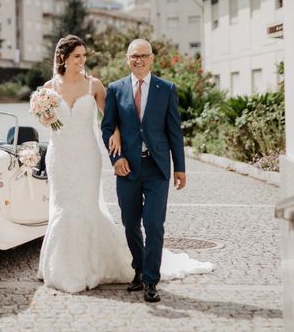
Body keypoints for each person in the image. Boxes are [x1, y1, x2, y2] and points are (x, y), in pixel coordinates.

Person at [37, 35, 134, 293]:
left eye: (84, 55)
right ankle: (62, 268)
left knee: (86, 206)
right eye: (77, 56)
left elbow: (108, 116)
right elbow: (47, 122)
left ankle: (92, 266)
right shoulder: (48, 87)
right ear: (63, 59)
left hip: (87, 156)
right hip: (59, 156)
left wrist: (115, 133)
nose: (82, 60)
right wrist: (46, 118)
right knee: (63, 208)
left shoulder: (94, 85)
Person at [101, 38, 189, 302]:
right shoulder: (115, 89)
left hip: (157, 167)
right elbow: (107, 127)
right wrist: (115, 159)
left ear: (152, 58)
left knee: (153, 224)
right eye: (133, 56)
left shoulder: (166, 89)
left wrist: (180, 168)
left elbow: (175, 132)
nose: (138, 60)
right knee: (130, 223)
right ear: (127, 59)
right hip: (127, 167)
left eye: (143, 55)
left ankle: (151, 280)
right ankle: (139, 269)